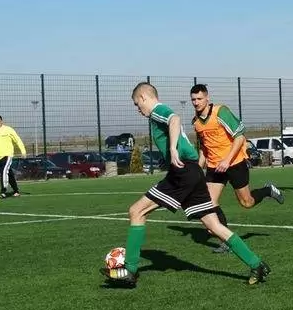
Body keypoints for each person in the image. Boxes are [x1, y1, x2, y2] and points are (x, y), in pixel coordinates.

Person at [103, 82, 271, 287]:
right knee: (214, 225)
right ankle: (256, 264)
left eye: (137, 104)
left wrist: (173, 149)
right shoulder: (156, 115)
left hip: (181, 173)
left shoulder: (157, 111)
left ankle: (130, 270)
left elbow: (174, 119)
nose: (138, 109)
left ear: (144, 97)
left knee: (136, 211)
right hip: (193, 172)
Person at [189, 84, 284, 253]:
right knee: (208, 203)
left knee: (247, 203)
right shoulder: (196, 122)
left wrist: (227, 160)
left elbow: (239, 137)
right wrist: (198, 168)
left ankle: (268, 190)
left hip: (234, 163)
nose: (196, 102)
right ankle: (226, 240)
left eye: (199, 99)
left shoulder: (221, 112)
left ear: (207, 98)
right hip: (214, 167)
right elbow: (204, 147)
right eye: (193, 99)